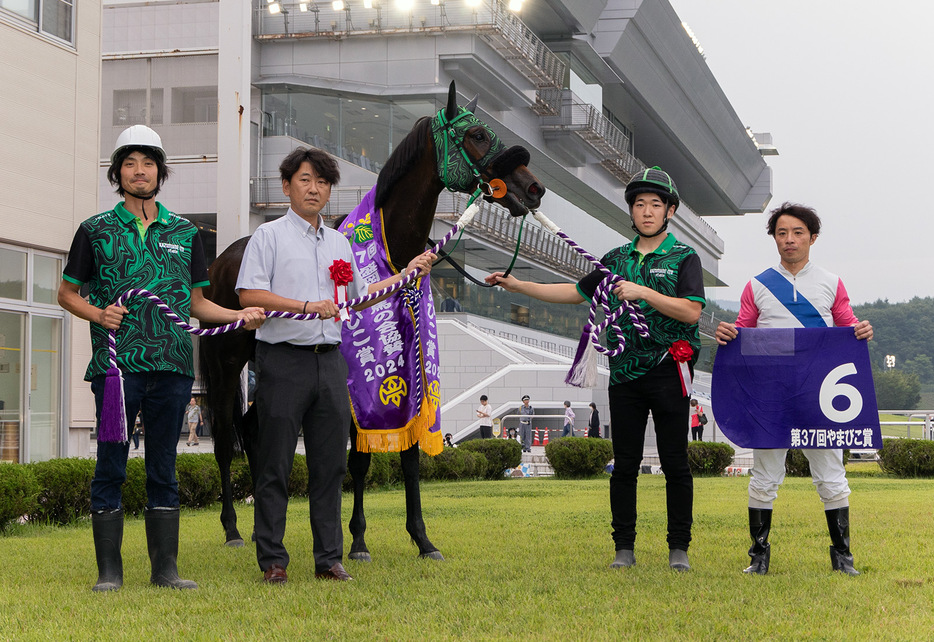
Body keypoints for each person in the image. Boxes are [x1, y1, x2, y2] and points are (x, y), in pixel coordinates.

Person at [57, 125, 266, 592]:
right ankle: (109, 572)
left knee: (164, 465)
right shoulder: (95, 231)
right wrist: (98, 312)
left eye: (147, 163)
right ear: (118, 172)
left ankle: (165, 570)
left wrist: (239, 315)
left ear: (160, 172)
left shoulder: (186, 232)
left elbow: (196, 305)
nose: (139, 172)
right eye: (130, 164)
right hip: (117, 372)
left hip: (173, 367)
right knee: (110, 462)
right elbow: (66, 293)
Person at [487, 167, 704, 571]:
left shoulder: (684, 258)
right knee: (625, 464)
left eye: (656, 204)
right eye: (639, 204)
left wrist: (643, 292)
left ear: (670, 211)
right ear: (632, 212)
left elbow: (691, 312)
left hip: (669, 369)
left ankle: (679, 548)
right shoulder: (615, 259)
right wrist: (518, 286)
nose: (647, 211)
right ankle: (624, 547)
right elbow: (574, 292)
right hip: (623, 374)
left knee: (675, 462)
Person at [236, 147, 434, 585]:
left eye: (322, 182)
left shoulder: (340, 242)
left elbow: (361, 299)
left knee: (331, 466)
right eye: (305, 180)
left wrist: (408, 273)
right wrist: (308, 306)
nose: (314, 188)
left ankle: (328, 558)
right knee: (275, 464)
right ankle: (273, 559)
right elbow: (249, 296)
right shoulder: (267, 237)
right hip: (283, 361)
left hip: (331, 363)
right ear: (287, 186)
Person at [715, 202, 873, 576]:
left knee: (831, 473)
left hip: (819, 395)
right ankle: (758, 557)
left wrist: (861, 331)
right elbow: (743, 330)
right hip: (771, 394)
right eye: (782, 233)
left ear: (812, 237)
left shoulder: (832, 282)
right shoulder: (757, 284)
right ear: (774, 238)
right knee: (765, 474)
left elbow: (846, 325)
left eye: (797, 232)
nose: (789, 239)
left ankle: (842, 557)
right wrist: (727, 334)